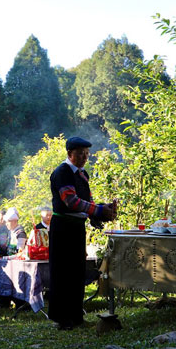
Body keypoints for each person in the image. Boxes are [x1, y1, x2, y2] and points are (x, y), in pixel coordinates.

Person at [49, 136, 117, 330]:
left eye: (87, 154)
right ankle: (63, 319)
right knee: (63, 272)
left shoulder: (82, 174)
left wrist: (105, 210)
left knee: (76, 271)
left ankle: (77, 316)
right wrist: (98, 210)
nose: (85, 157)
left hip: (76, 227)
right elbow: (71, 201)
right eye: (80, 153)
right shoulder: (62, 172)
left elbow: (88, 201)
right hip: (63, 227)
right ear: (70, 154)